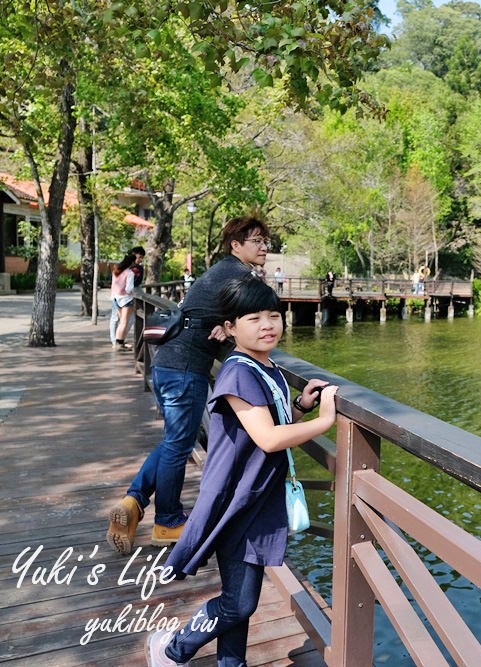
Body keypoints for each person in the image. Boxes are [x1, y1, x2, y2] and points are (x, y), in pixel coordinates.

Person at [145, 275, 338, 667]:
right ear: (229, 328)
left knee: (238, 598)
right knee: (241, 602)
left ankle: (230, 663)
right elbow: (267, 438)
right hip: (234, 502)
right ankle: (172, 649)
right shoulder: (237, 372)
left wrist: (301, 406)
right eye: (253, 318)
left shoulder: (265, 365)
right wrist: (325, 421)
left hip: (256, 499)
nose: (267, 324)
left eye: (273, 315)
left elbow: (268, 421)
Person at [106, 215, 271, 555]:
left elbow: (229, 313)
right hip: (185, 369)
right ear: (235, 245)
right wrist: (232, 329)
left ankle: (133, 503)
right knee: (178, 447)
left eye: (265, 240)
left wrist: (227, 327)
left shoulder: (222, 271)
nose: (264, 246)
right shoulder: (239, 275)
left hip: (168, 363)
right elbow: (267, 306)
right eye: (256, 240)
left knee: (174, 443)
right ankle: (167, 521)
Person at [109, 247, 144, 345]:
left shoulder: (116, 270)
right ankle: (119, 343)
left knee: (117, 320)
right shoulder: (130, 273)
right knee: (124, 322)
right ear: (131, 262)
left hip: (115, 298)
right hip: (126, 299)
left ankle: (116, 341)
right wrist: (134, 293)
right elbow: (129, 289)